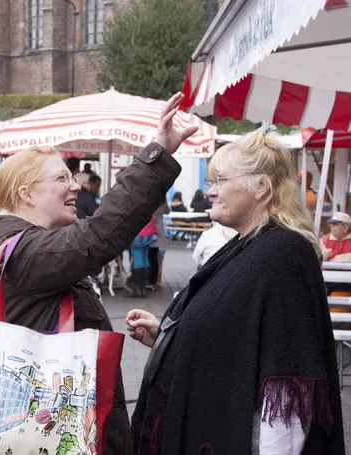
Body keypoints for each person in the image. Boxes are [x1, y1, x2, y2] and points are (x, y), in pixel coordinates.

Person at [0, 93, 196, 455]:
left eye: (73, 177)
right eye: (62, 178)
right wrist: (158, 152)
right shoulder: (25, 251)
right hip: (51, 426)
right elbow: (102, 235)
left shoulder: (18, 242)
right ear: (26, 193)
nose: (75, 186)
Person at [126, 129, 344, 454]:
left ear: (261, 188)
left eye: (220, 180)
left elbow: (283, 386)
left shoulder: (282, 253)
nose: (211, 191)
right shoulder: (250, 245)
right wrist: (170, 336)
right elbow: (238, 335)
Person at [128, 219, 157, 298]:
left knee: (138, 261)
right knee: (145, 259)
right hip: (149, 233)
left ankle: (137, 290)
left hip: (137, 234)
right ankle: (143, 289)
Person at [147, 200, 169, 291]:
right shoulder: (163, 201)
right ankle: (154, 281)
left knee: (149, 258)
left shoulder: (150, 200)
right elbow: (167, 211)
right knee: (154, 258)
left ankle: (148, 281)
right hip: (158, 230)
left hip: (148, 230)